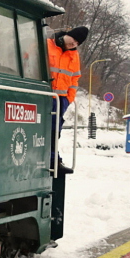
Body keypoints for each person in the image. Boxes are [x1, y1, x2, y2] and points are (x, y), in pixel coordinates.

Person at [48, 26, 88, 171]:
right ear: (67, 35)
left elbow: (75, 78)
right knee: (47, 127)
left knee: (55, 130)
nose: (74, 44)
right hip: (43, 95)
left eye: (78, 43)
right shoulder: (47, 44)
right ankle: (52, 159)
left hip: (60, 99)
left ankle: (53, 159)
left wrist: (68, 99)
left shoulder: (74, 55)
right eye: (74, 39)